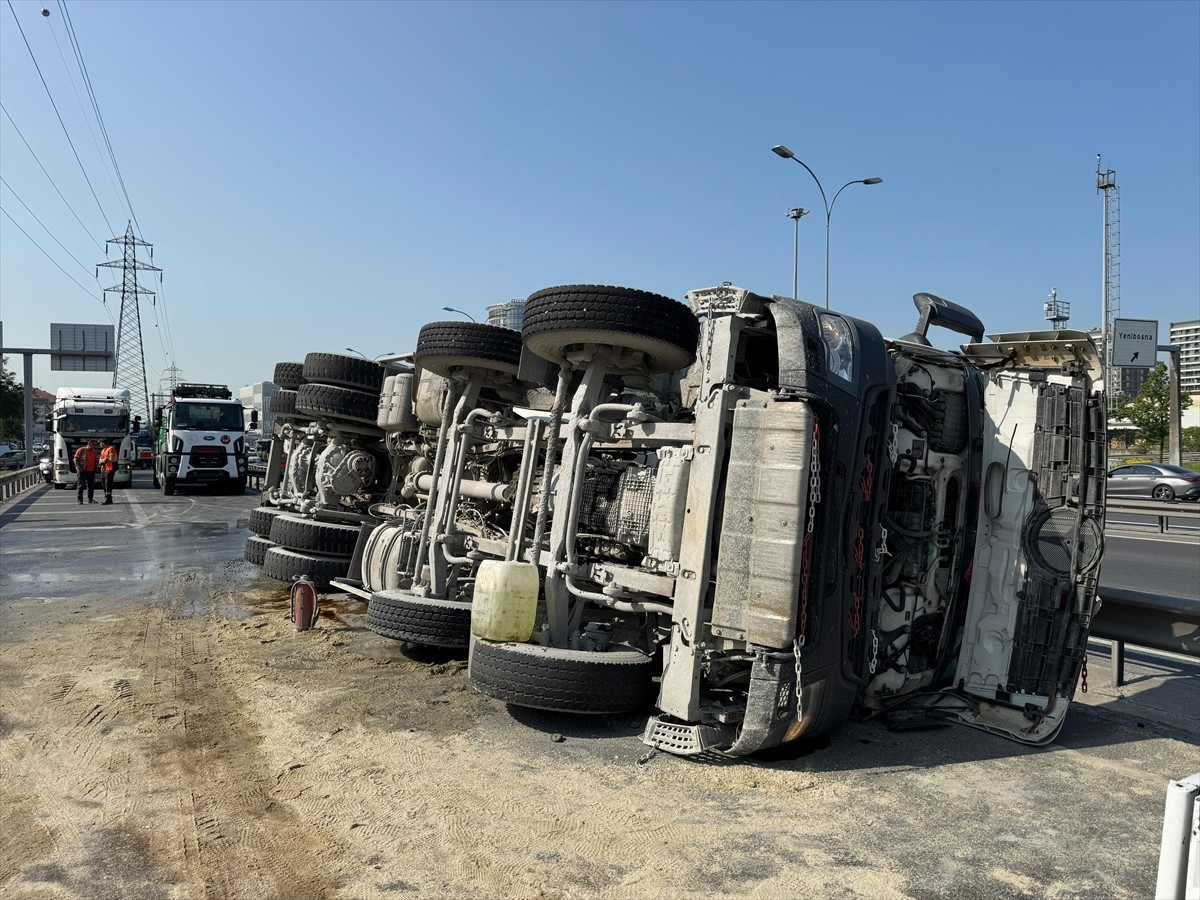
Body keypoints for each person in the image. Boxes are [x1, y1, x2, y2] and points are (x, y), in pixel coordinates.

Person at [74, 439, 99, 505]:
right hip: (82, 470)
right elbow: (75, 459)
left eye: (95, 445)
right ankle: (80, 500)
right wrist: (78, 467)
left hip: (91, 471)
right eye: (93, 445)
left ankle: (90, 499)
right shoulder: (81, 450)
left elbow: (96, 459)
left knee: (91, 486)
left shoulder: (94, 452)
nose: (94, 446)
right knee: (81, 485)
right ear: (89, 444)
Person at [99, 438, 118, 505]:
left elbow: (112, 459)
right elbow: (100, 460)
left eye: (101, 443)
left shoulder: (111, 449)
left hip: (110, 468)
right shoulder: (103, 450)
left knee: (108, 484)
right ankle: (107, 497)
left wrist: (103, 460)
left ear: (104, 443)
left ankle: (108, 498)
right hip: (104, 469)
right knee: (104, 483)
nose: (100, 444)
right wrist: (104, 460)